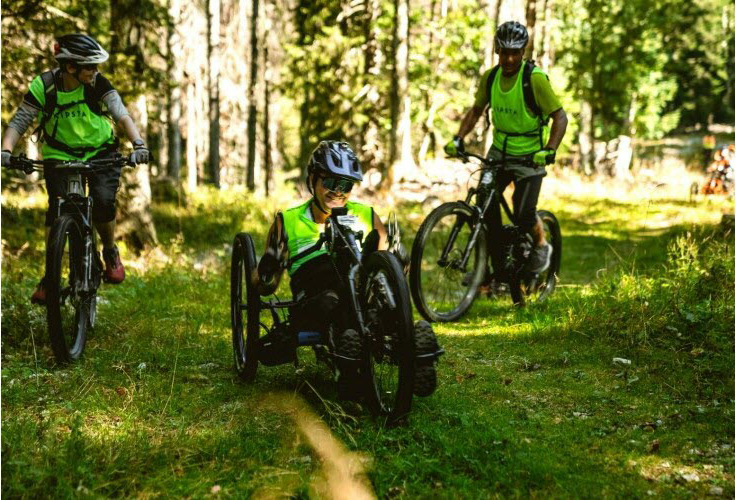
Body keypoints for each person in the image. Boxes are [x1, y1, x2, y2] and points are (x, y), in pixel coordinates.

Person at [253, 141, 436, 389]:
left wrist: (398, 260)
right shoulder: (288, 221)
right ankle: (349, 354)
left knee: (378, 298)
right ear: (313, 180)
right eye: (330, 183)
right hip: (315, 290)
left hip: (360, 285)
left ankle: (410, 350)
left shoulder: (366, 215)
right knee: (332, 299)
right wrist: (268, 265)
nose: (338, 192)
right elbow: (265, 288)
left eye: (346, 185)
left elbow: (391, 274)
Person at [1, 34, 150, 305]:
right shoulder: (45, 86)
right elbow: (20, 121)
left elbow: (121, 113)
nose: (95, 71)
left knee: (103, 202)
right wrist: (6, 151)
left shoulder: (96, 84)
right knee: (57, 210)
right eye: (90, 66)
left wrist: (138, 143)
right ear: (71, 67)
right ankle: (51, 275)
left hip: (102, 152)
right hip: (60, 154)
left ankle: (108, 251)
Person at [444, 21, 568, 284]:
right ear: (496, 50)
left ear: (523, 51)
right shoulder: (490, 78)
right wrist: (458, 138)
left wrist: (549, 149)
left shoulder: (534, 79)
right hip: (498, 153)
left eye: (515, 52)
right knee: (484, 205)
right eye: (503, 52)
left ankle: (542, 244)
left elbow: (560, 117)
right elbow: (476, 111)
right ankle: (495, 268)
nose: (509, 58)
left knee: (523, 214)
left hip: (530, 157)